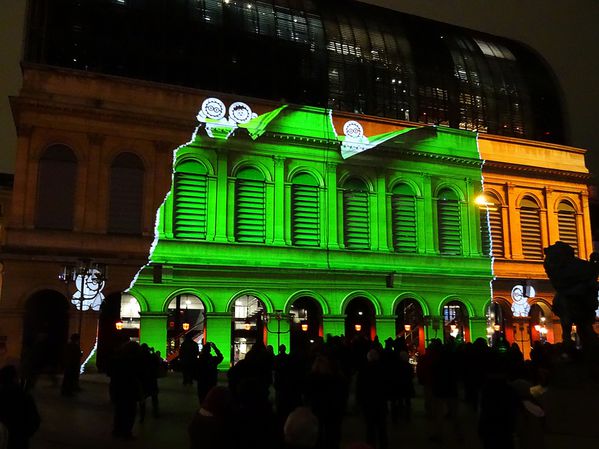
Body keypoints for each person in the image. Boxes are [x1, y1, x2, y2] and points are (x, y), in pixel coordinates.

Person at [0, 365, 41, 449]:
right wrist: (24, 434)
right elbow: (35, 421)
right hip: (20, 442)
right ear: (15, 378)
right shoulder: (25, 396)